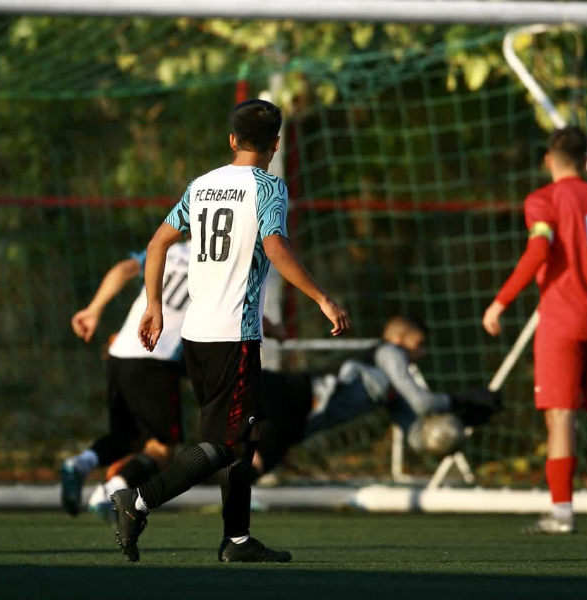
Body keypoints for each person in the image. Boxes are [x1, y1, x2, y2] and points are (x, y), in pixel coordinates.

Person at [110, 98, 351, 563]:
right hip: (233, 335)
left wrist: (154, 305)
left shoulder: (202, 185)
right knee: (226, 443)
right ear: (275, 145)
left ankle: (237, 539)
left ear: (232, 140)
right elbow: (274, 245)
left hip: (196, 334)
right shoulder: (269, 186)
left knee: (245, 436)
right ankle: (137, 500)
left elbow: (158, 243)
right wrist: (322, 298)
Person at [482, 126, 587, 533]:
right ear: (585, 161)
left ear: (549, 160)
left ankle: (562, 512)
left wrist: (501, 301)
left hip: (562, 322)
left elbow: (539, 249)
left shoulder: (543, 200)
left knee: (561, 414)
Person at [253, 316, 501, 482]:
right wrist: (460, 400)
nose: (421, 352)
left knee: (251, 465)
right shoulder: (388, 351)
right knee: (240, 437)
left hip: (297, 423)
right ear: (399, 338)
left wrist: (455, 425)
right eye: (420, 343)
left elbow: (417, 439)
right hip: (289, 393)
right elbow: (423, 403)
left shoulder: (393, 394)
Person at [60, 242, 190, 517]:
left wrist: (94, 309)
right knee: (162, 449)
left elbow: (123, 269)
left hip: (119, 353)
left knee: (126, 438)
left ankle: (80, 464)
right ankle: (109, 493)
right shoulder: (220, 260)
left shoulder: (171, 249)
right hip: (156, 357)